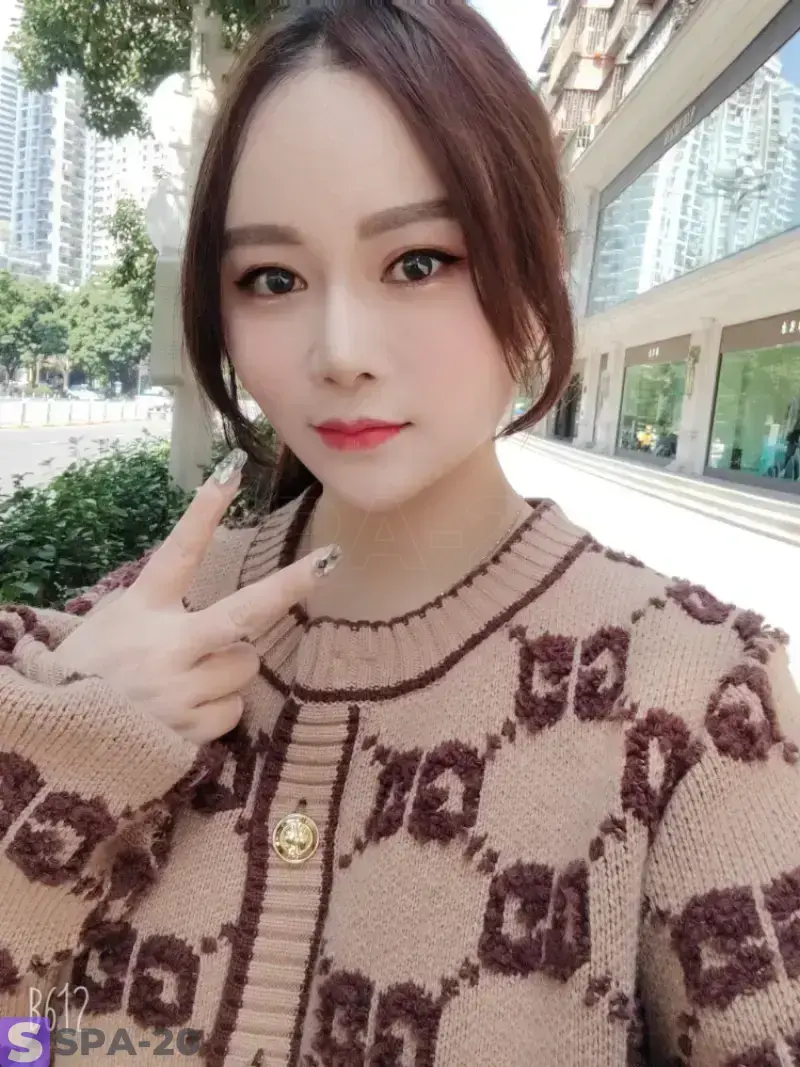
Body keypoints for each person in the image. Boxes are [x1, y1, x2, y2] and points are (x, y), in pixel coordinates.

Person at [1, 3, 799, 1065]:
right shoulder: (112, 641)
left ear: (536, 265)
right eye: (273, 279)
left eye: (419, 261)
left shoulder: (698, 702)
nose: (340, 351)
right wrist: (68, 747)